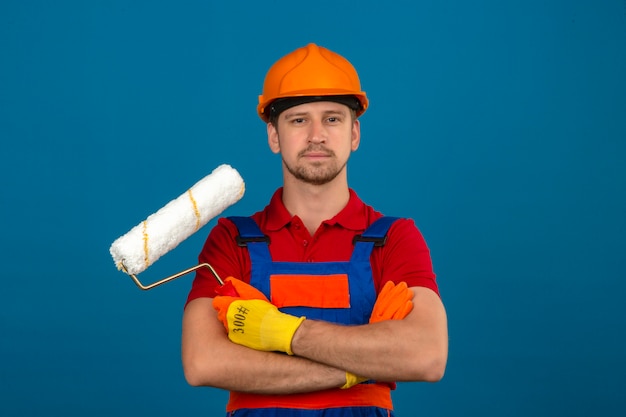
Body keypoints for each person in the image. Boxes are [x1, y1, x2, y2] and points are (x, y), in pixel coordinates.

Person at [181, 43, 448, 417]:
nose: (317, 136)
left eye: (333, 119)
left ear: (355, 134)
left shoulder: (395, 238)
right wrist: (361, 366)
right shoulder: (232, 239)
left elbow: (426, 355)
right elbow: (202, 362)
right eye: (298, 120)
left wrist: (282, 332)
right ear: (274, 136)